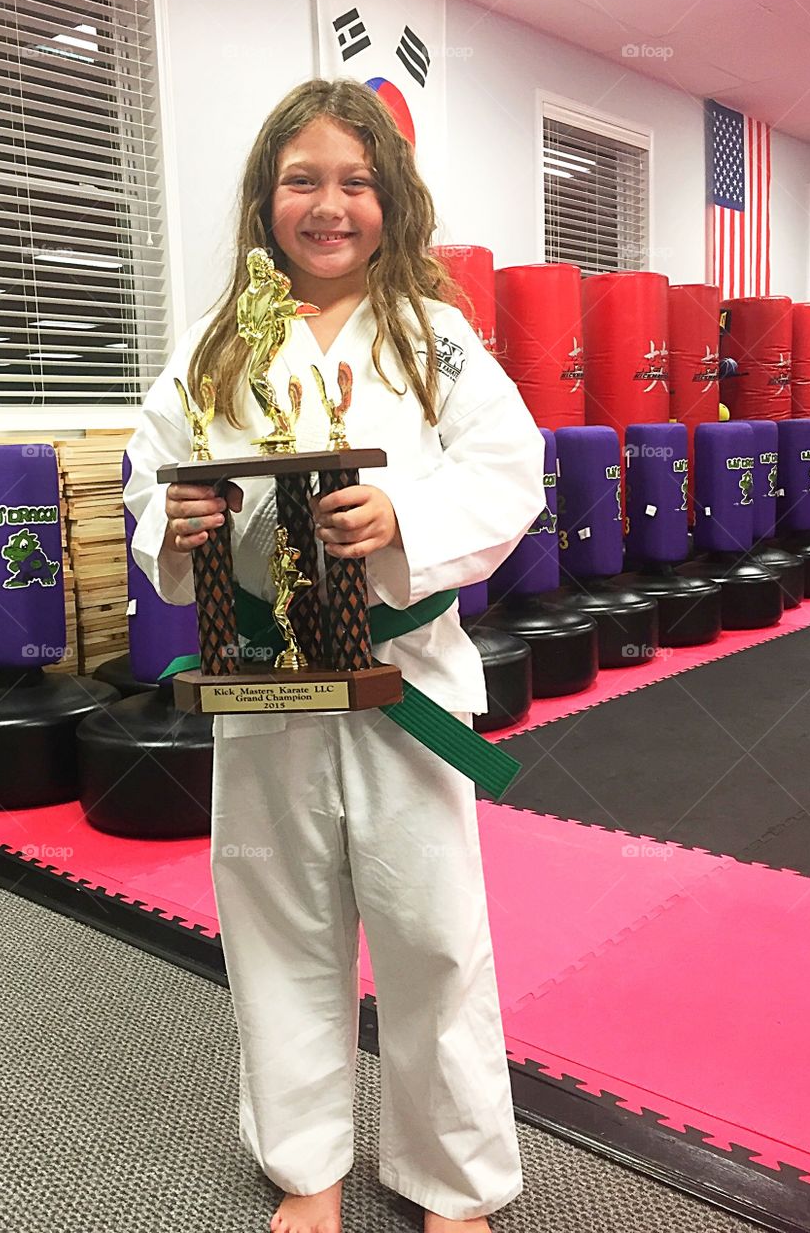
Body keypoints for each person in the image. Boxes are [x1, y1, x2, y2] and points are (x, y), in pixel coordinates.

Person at [124, 78, 545, 1233]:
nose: (329, 205)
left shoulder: (431, 335)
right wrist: (180, 524)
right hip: (263, 684)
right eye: (302, 180)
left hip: (402, 677)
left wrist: (402, 512)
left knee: (432, 928)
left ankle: (452, 1178)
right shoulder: (216, 348)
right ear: (266, 198)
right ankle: (304, 1160)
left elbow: (510, 472)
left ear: (390, 198)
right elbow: (148, 482)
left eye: (355, 182)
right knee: (276, 922)